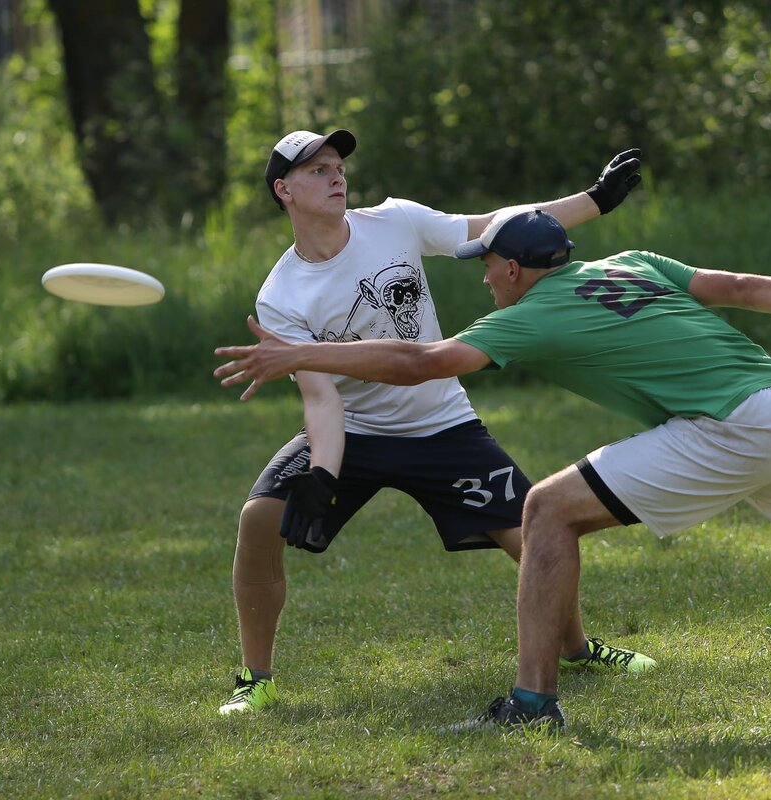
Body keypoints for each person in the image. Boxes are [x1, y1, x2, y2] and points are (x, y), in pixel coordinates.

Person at [213, 207, 771, 730]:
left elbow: (421, 362)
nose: (488, 280)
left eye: (489, 268)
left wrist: (297, 355)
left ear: (511, 269)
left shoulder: (533, 314)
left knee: (547, 509)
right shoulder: (634, 264)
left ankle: (533, 704)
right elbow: (744, 286)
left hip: (732, 428)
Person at [215, 130, 657, 716]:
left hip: (442, 425)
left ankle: (576, 648)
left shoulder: (394, 221)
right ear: (284, 190)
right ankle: (255, 679)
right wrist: (322, 473)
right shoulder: (281, 296)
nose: (336, 176)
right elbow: (322, 400)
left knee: (534, 537)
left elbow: (496, 228)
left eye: (338, 165)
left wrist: (594, 201)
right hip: (358, 434)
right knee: (258, 520)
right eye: (317, 170)